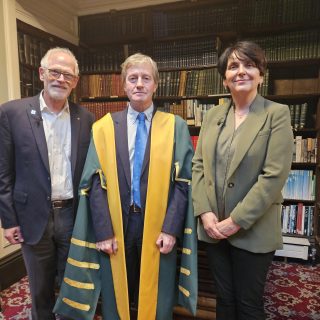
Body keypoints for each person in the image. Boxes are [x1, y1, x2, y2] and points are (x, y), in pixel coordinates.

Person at [54, 53, 197, 320]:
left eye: (146, 78)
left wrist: (171, 229)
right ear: (124, 86)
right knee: (117, 294)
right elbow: (94, 183)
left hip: (157, 226)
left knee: (155, 296)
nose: (139, 84)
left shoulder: (174, 126)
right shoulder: (104, 127)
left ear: (155, 84)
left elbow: (183, 182)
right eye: (133, 78)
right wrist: (104, 232)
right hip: (118, 224)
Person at [192, 41, 293, 320]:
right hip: (213, 229)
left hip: (253, 229)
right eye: (233, 66)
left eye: (249, 65)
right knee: (224, 301)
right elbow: (198, 165)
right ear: (224, 77)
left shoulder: (276, 115)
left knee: (248, 305)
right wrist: (205, 212)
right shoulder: (212, 116)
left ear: (261, 74)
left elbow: (273, 177)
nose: (241, 71)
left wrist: (235, 221)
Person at [0, 47, 94, 320]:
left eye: (68, 75)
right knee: (40, 287)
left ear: (75, 82)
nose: (61, 79)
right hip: (32, 217)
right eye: (55, 72)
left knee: (72, 283)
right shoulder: (11, 113)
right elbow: (3, 172)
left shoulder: (85, 118)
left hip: (72, 215)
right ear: (42, 73)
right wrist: (9, 220)